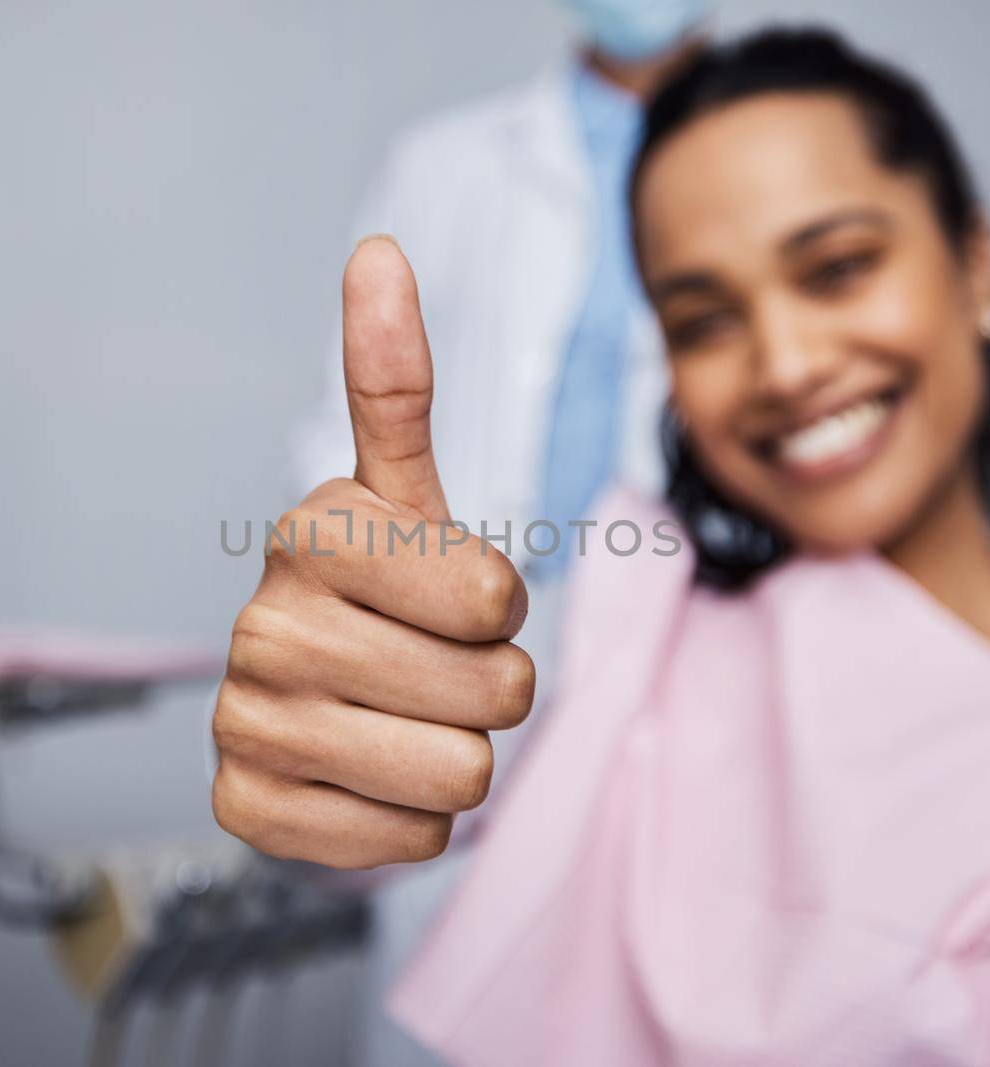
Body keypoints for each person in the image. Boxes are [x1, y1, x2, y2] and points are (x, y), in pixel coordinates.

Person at [217, 27, 990, 1066]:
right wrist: (314, 753)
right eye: (704, 320)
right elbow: (370, 816)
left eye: (838, 267)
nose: (786, 363)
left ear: (974, 259)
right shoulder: (609, 641)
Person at [289, 3, 711, 1062]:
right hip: (466, 629)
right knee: (442, 967)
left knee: (667, 982)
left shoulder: (767, 159)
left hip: (684, 644)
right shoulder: (447, 162)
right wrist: (368, 618)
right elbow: (344, 422)